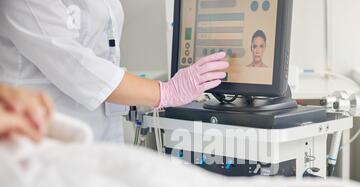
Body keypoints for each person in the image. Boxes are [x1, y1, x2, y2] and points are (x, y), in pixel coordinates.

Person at [0, 0, 229, 142]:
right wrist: (165, 92)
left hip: (101, 129)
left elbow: (102, 50)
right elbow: (78, 68)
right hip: (47, 134)